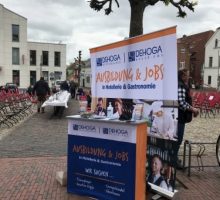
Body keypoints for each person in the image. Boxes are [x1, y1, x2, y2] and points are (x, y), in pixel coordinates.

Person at [177, 69, 199, 165]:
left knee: (179, 139)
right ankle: (174, 161)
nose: (188, 77)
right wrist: (193, 109)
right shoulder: (181, 85)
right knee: (178, 139)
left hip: (181, 117)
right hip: (179, 117)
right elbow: (181, 102)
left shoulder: (183, 85)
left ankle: (174, 159)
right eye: (187, 75)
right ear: (182, 76)